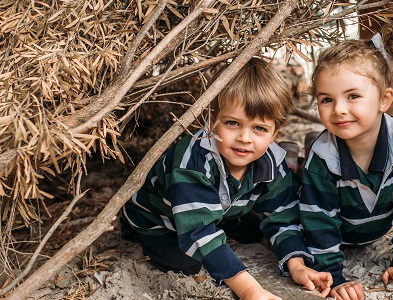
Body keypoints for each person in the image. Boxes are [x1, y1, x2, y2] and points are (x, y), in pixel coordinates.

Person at [121, 57, 332, 300]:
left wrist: (297, 264)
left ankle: (221, 219)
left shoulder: (272, 159)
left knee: (255, 232)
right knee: (188, 264)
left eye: (259, 128)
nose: (245, 138)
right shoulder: (192, 162)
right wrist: (251, 291)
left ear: (276, 133)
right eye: (232, 123)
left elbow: (282, 213)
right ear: (211, 122)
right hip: (159, 218)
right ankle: (132, 226)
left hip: (223, 209)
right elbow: (199, 233)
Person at [299, 24, 393, 300]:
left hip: (372, 233)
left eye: (353, 96)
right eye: (326, 99)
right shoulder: (324, 154)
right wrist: (334, 275)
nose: (338, 109)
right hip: (330, 236)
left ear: (384, 100)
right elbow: (318, 219)